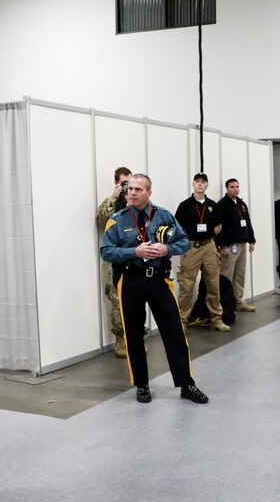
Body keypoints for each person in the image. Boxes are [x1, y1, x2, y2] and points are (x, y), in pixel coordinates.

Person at [101, 174, 209, 405]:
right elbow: (106, 251)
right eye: (130, 189)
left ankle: (186, 384)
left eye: (138, 189)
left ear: (149, 193)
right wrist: (134, 252)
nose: (132, 193)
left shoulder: (164, 215)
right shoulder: (117, 219)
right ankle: (142, 385)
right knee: (134, 336)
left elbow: (184, 242)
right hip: (130, 282)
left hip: (159, 282)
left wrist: (165, 249)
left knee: (175, 334)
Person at [174, 173, 229, 332]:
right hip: (191, 248)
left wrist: (213, 239)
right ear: (193, 184)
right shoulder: (185, 205)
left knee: (213, 285)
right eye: (197, 181)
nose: (200, 184)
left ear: (207, 185)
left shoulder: (213, 205)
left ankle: (217, 319)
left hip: (209, 247)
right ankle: (182, 321)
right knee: (186, 286)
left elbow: (218, 227)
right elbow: (177, 228)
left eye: (203, 182)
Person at [96, 166, 138, 357]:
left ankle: (136, 338)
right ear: (117, 183)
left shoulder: (138, 202)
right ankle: (121, 339)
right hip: (116, 260)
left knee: (137, 300)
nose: (129, 187)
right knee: (117, 300)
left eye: (131, 182)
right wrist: (114, 197)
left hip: (136, 258)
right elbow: (101, 220)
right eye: (124, 183)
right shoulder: (111, 203)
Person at [216, 178, 257, 312]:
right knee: (227, 275)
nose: (236, 189)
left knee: (240, 274)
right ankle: (225, 304)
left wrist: (252, 240)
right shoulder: (222, 205)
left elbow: (248, 222)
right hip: (230, 246)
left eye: (237, 187)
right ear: (227, 189)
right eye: (232, 187)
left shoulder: (241, 204)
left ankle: (239, 301)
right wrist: (223, 246)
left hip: (242, 244)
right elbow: (219, 228)